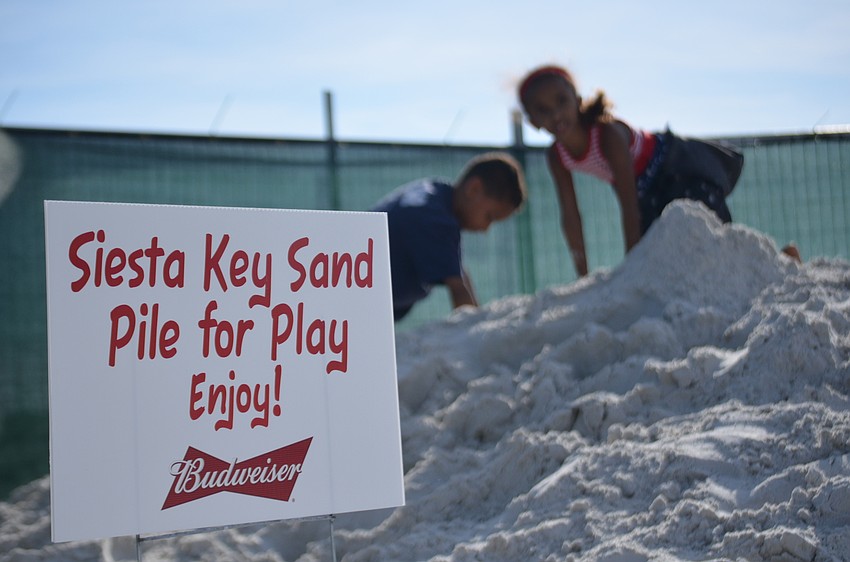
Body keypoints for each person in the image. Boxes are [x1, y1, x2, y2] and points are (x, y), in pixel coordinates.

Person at [518, 64, 744, 277]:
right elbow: (570, 214)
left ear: (577, 99)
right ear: (533, 122)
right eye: (543, 110)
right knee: (657, 257)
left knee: (708, 228)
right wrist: (583, 275)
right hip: (645, 190)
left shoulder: (607, 134)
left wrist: (630, 268)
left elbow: (628, 202)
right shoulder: (556, 156)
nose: (556, 114)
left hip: (676, 166)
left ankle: (739, 270)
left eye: (561, 101)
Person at [371, 152, 527, 321]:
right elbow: (459, 290)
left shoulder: (435, 197)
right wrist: (476, 334)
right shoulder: (433, 218)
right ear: (474, 189)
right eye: (489, 217)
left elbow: (459, 273)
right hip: (353, 300)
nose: (485, 228)